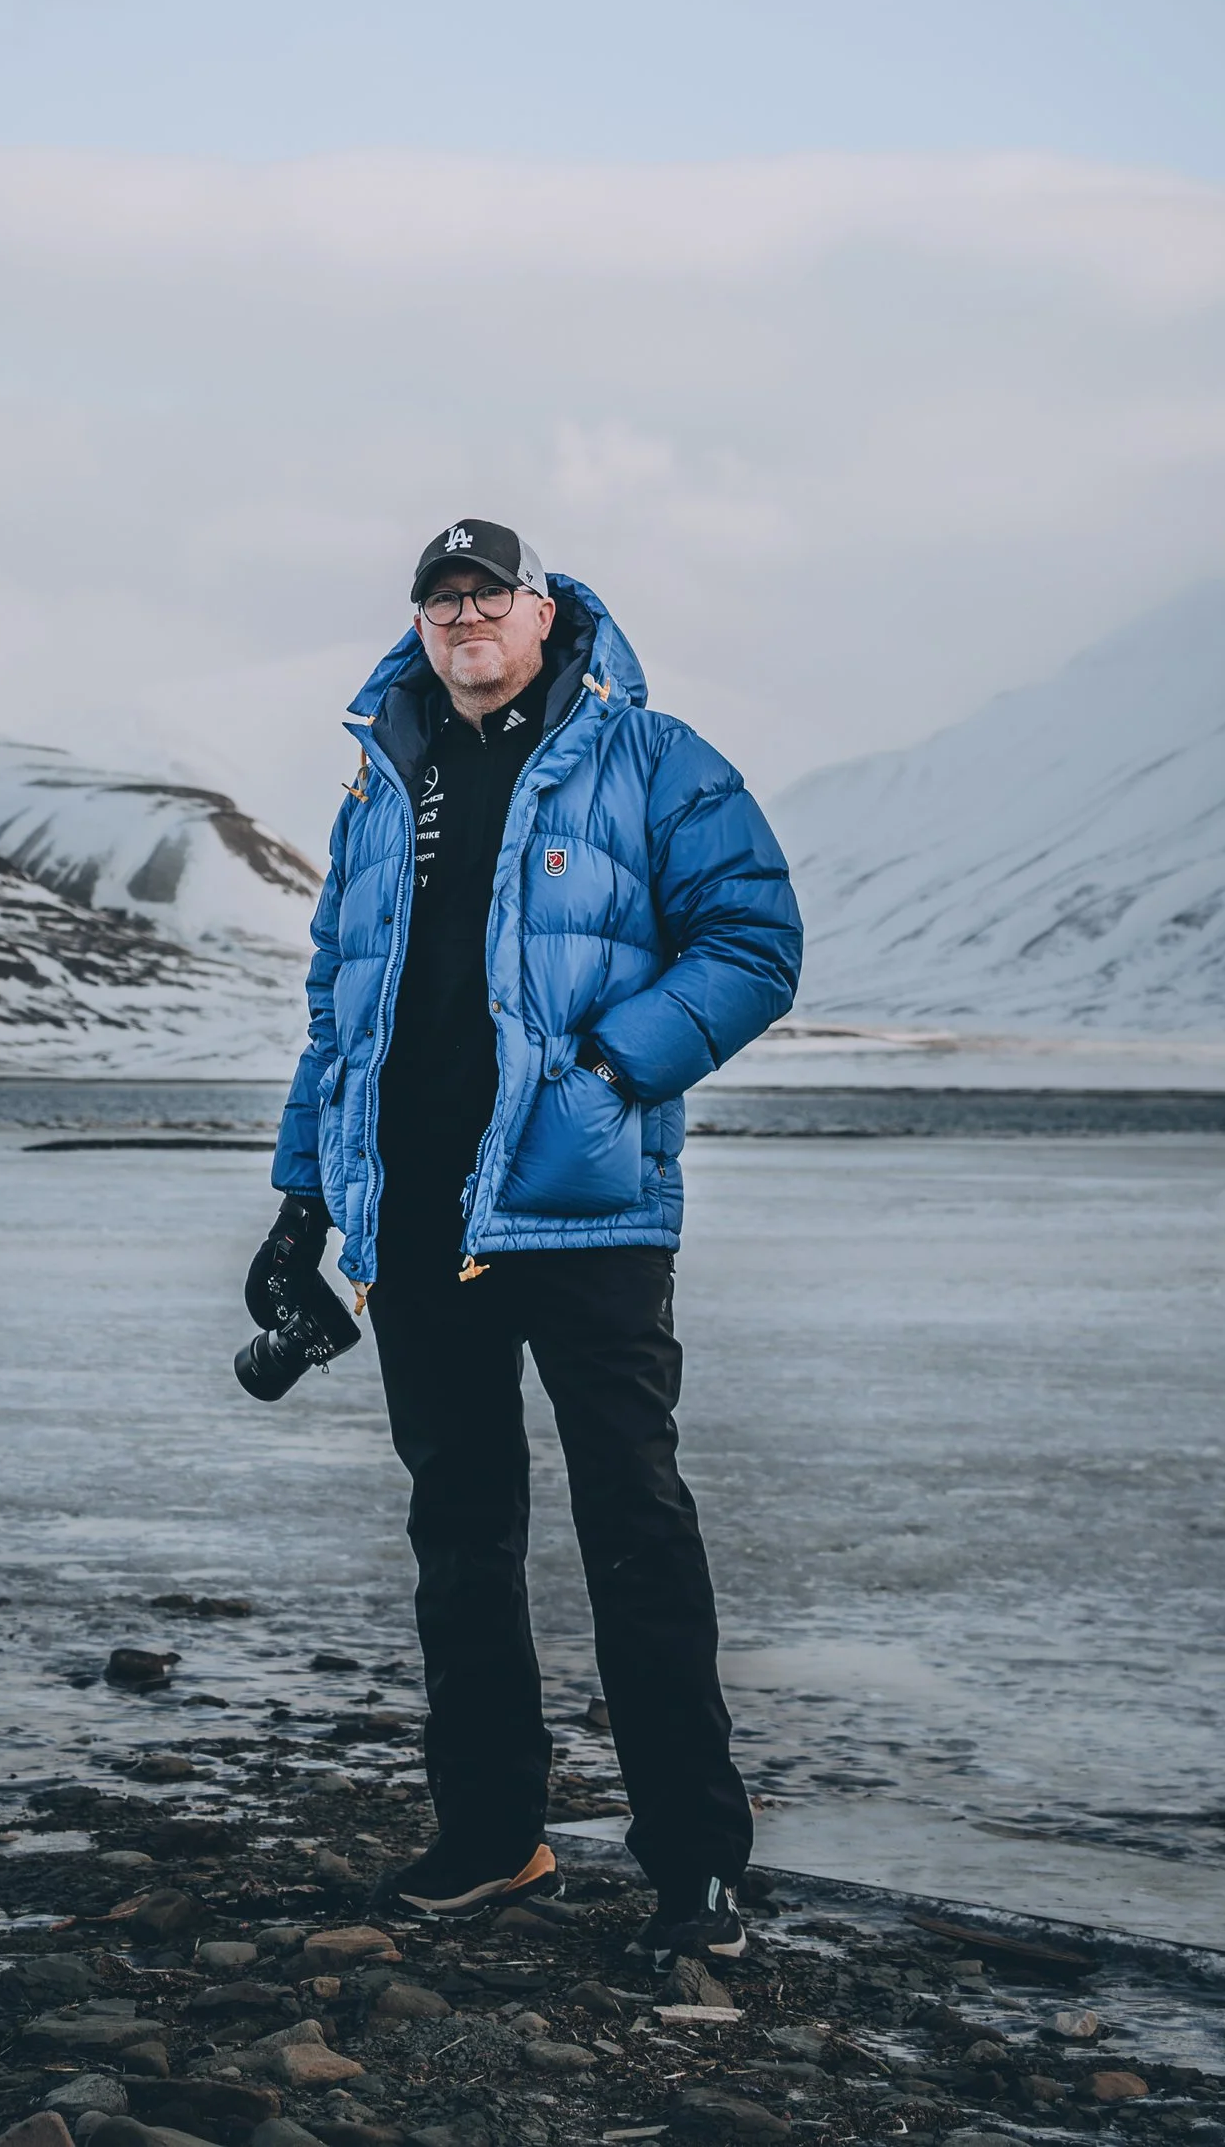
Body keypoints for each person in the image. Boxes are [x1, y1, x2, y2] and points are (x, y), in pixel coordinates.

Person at [251, 518, 801, 1971]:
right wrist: (304, 1200)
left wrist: (609, 1071)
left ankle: (694, 1864)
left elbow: (755, 941)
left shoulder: (651, 754)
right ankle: (497, 1837)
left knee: (636, 1523)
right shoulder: (383, 777)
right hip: (417, 1220)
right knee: (459, 1529)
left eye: (488, 592)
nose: (464, 616)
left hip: (585, 1208)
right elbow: (340, 1014)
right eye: (440, 599)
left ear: (544, 609)